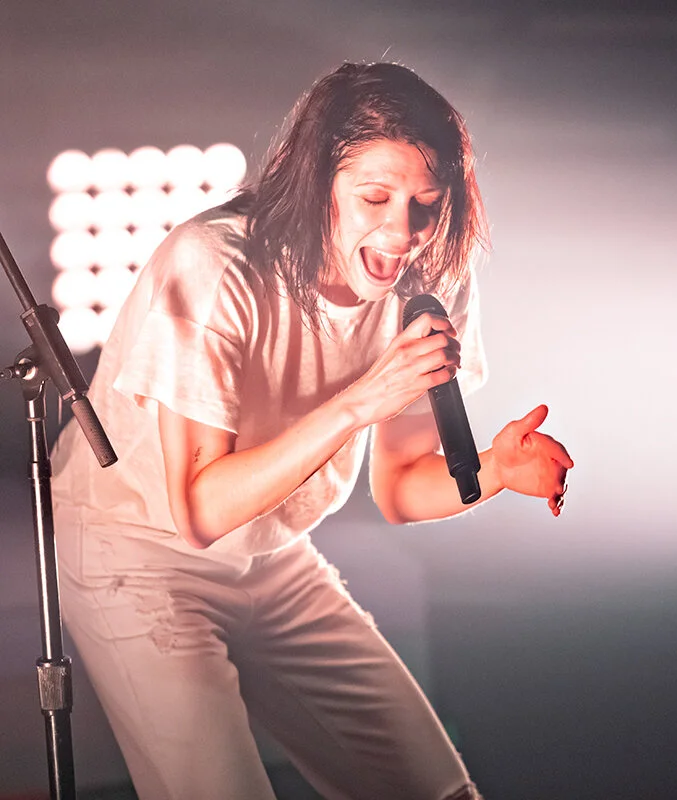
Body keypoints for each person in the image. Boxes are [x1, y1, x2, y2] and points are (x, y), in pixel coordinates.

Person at [50, 61, 572, 800]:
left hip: (272, 553)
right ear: (317, 180)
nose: (404, 232)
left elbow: (399, 488)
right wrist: (361, 399)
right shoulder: (215, 264)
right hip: (136, 554)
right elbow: (198, 512)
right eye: (375, 198)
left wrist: (494, 471)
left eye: (428, 202)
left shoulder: (430, 270)